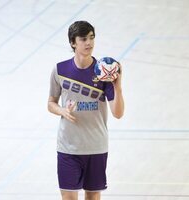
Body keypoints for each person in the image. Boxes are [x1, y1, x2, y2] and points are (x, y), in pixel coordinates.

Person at [48, 20, 124, 200]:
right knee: (68, 197)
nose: (89, 43)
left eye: (91, 38)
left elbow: (118, 113)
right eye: (83, 39)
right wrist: (62, 111)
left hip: (96, 147)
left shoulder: (104, 72)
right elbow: (51, 103)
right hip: (68, 147)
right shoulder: (60, 69)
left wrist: (118, 88)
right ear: (73, 43)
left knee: (93, 196)